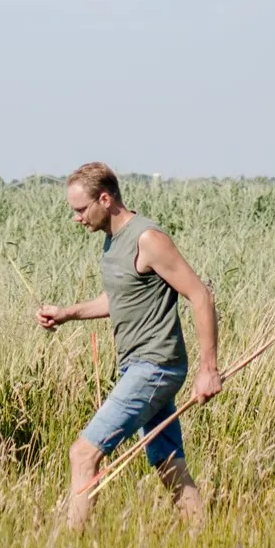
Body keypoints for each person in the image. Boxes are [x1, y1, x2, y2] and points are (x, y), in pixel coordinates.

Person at [35, 162, 220, 528]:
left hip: (156, 366)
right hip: (137, 366)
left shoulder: (147, 239)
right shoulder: (112, 242)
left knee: (83, 454)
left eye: (80, 209)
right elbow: (118, 298)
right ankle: (204, 536)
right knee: (168, 462)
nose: (76, 218)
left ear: (105, 199)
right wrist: (67, 313)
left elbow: (201, 296)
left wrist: (208, 370)